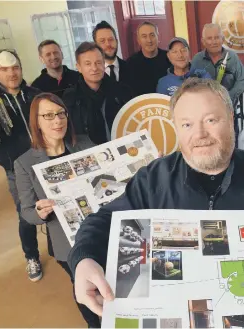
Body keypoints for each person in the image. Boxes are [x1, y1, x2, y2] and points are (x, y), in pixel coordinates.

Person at [67, 78, 244, 316]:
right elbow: (106, 220)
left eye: (211, 120)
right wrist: (83, 258)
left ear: (231, 119)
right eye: (187, 125)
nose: (200, 134)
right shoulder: (153, 178)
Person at [14, 92, 100, 328]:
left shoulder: (83, 144)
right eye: (48, 115)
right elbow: (27, 212)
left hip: (98, 226)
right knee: (83, 283)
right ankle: (95, 324)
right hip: (65, 238)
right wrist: (40, 212)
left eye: (61, 113)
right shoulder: (25, 162)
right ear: (37, 122)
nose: (57, 121)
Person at [0, 49, 42, 282]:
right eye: (4, 69)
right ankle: (31, 256)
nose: (11, 73)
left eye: (15, 67)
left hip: (44, 161)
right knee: (26, 213)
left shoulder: (35, 95)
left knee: (54, 207)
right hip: (14, 168)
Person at [63, 42, 134, 145]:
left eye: (98, 62)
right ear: (78, 67)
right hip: (88, 154)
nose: (94, 68)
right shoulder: (70, 97)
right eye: (88, 64)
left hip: (122, 149)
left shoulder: (122, 91)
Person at [191, 23, 244, 107]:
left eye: (217, 37)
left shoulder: (232, 57)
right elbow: (191, 84)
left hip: (229, 107)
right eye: (209, 38)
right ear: (203, 42)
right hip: (204, 107)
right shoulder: (197, 60)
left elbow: (241, 80)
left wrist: (228, 97)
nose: (214, 42)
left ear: (222, 39)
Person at [126, 21, 171, 96]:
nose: (149, 40)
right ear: (138, 40)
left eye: (152, 35)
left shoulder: (169, 58)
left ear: (158, 37)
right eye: (144, 36)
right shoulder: (130, 63)